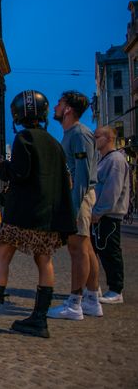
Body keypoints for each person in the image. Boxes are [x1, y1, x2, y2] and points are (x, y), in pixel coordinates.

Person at [0, 90, 75, 338]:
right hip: (48, 217)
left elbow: (20, 173)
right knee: (44, 260)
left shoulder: (24, 139)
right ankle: (39, 320)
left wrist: (4, 168)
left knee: (2, 257)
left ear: (19, 115)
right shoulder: (54, 144)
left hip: (23, 213)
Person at [48, 91, 102, 320]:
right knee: (86, 248)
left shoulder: (79, 134)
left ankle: (75, 303)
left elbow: (81, 175)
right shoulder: (72, 133)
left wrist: (72, 206)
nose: (55, 107)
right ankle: (92, 299)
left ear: (68, 109)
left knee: (77, 249)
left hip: (78, 197)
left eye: (59, 103)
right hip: (79, 196)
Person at [92, 126, 129, 304]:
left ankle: (116, 290)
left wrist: (98, 212)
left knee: (110, 251)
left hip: (109, 215)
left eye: (97, 136)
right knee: (97, 250)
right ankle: (93, 286)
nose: (94, 139)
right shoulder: (104, 159)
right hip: (101, 215)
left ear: (108, 138)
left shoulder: (115, 160)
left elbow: (112, 190)